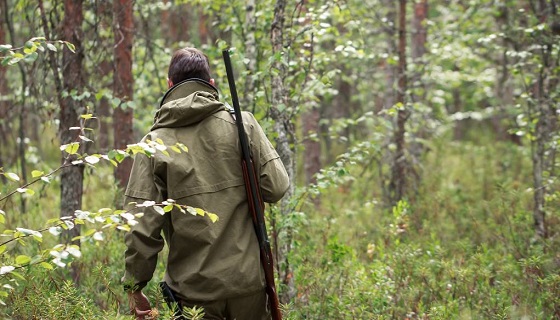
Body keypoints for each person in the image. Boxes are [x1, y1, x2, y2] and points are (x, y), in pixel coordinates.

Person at [122, 47, 290, 320]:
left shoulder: (154, 144)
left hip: (193, 293)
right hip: (249, 284)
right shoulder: (242, 124)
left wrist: (134, 285)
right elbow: (277, 187)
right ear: (211, 85)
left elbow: (141, 227)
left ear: (169, 85)